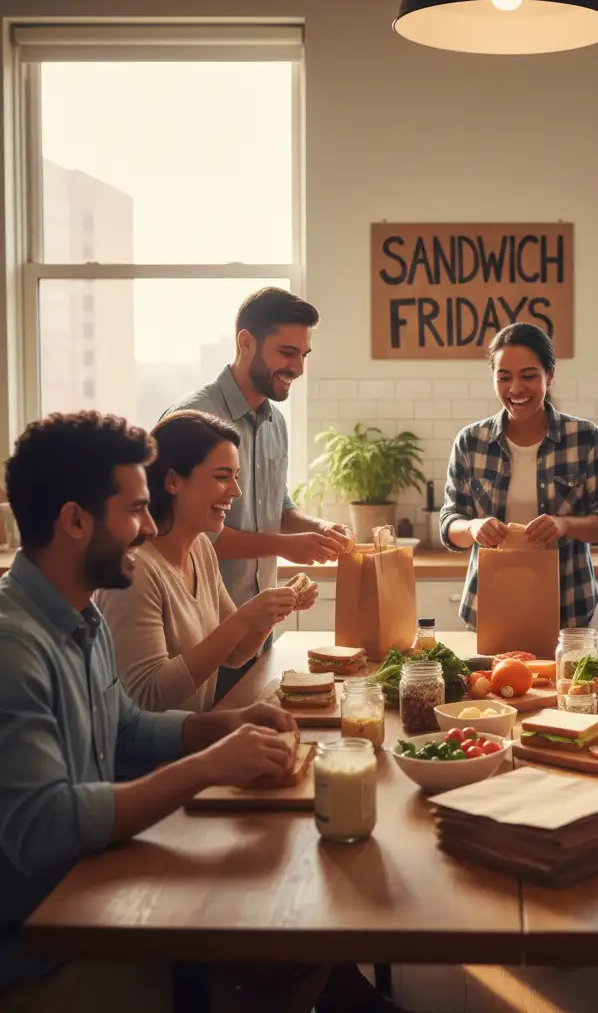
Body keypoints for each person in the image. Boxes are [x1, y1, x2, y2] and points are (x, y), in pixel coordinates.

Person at [0, 413, 409, 1013]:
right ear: (75, 521)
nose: (146, 528)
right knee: (285, 933)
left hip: (95, 883)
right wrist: (207, 765)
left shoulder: (80, 618)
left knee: (302, 925)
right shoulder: (14, 649)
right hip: (47, 946)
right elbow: (45, 829)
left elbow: (127, 727)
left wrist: (221, 725)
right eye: (135, 510)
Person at [165, 287, 349, 698]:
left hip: (259, 625)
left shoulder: (275, 422)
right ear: (246, 343)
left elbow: (277, 507)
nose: (298, 367)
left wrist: (317, 529)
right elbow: (191, 533)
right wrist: (287, 545)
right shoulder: (196, 420)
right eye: (287, 352)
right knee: (201, 744)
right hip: (202, 629)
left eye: (304, 354)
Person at [96, 411, 318, 713]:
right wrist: (244, 618)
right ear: (173, 481)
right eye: (221, 477)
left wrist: (272, 611)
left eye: (236, 477)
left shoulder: (200, 547)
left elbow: (237, 654)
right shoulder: (135, 570)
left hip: (192, 743)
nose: (236, 491)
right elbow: (150, 694)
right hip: (154, 757)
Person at [440, 322, 598, 630]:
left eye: (528, 376)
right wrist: (473, 527)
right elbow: (449, 523)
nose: (515, 389)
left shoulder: (584, 437)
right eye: (504, 377)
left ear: (549, 376)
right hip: (489, 605)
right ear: (493, 378)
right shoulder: (471, 441)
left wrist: (564, 525)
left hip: (567, 607)